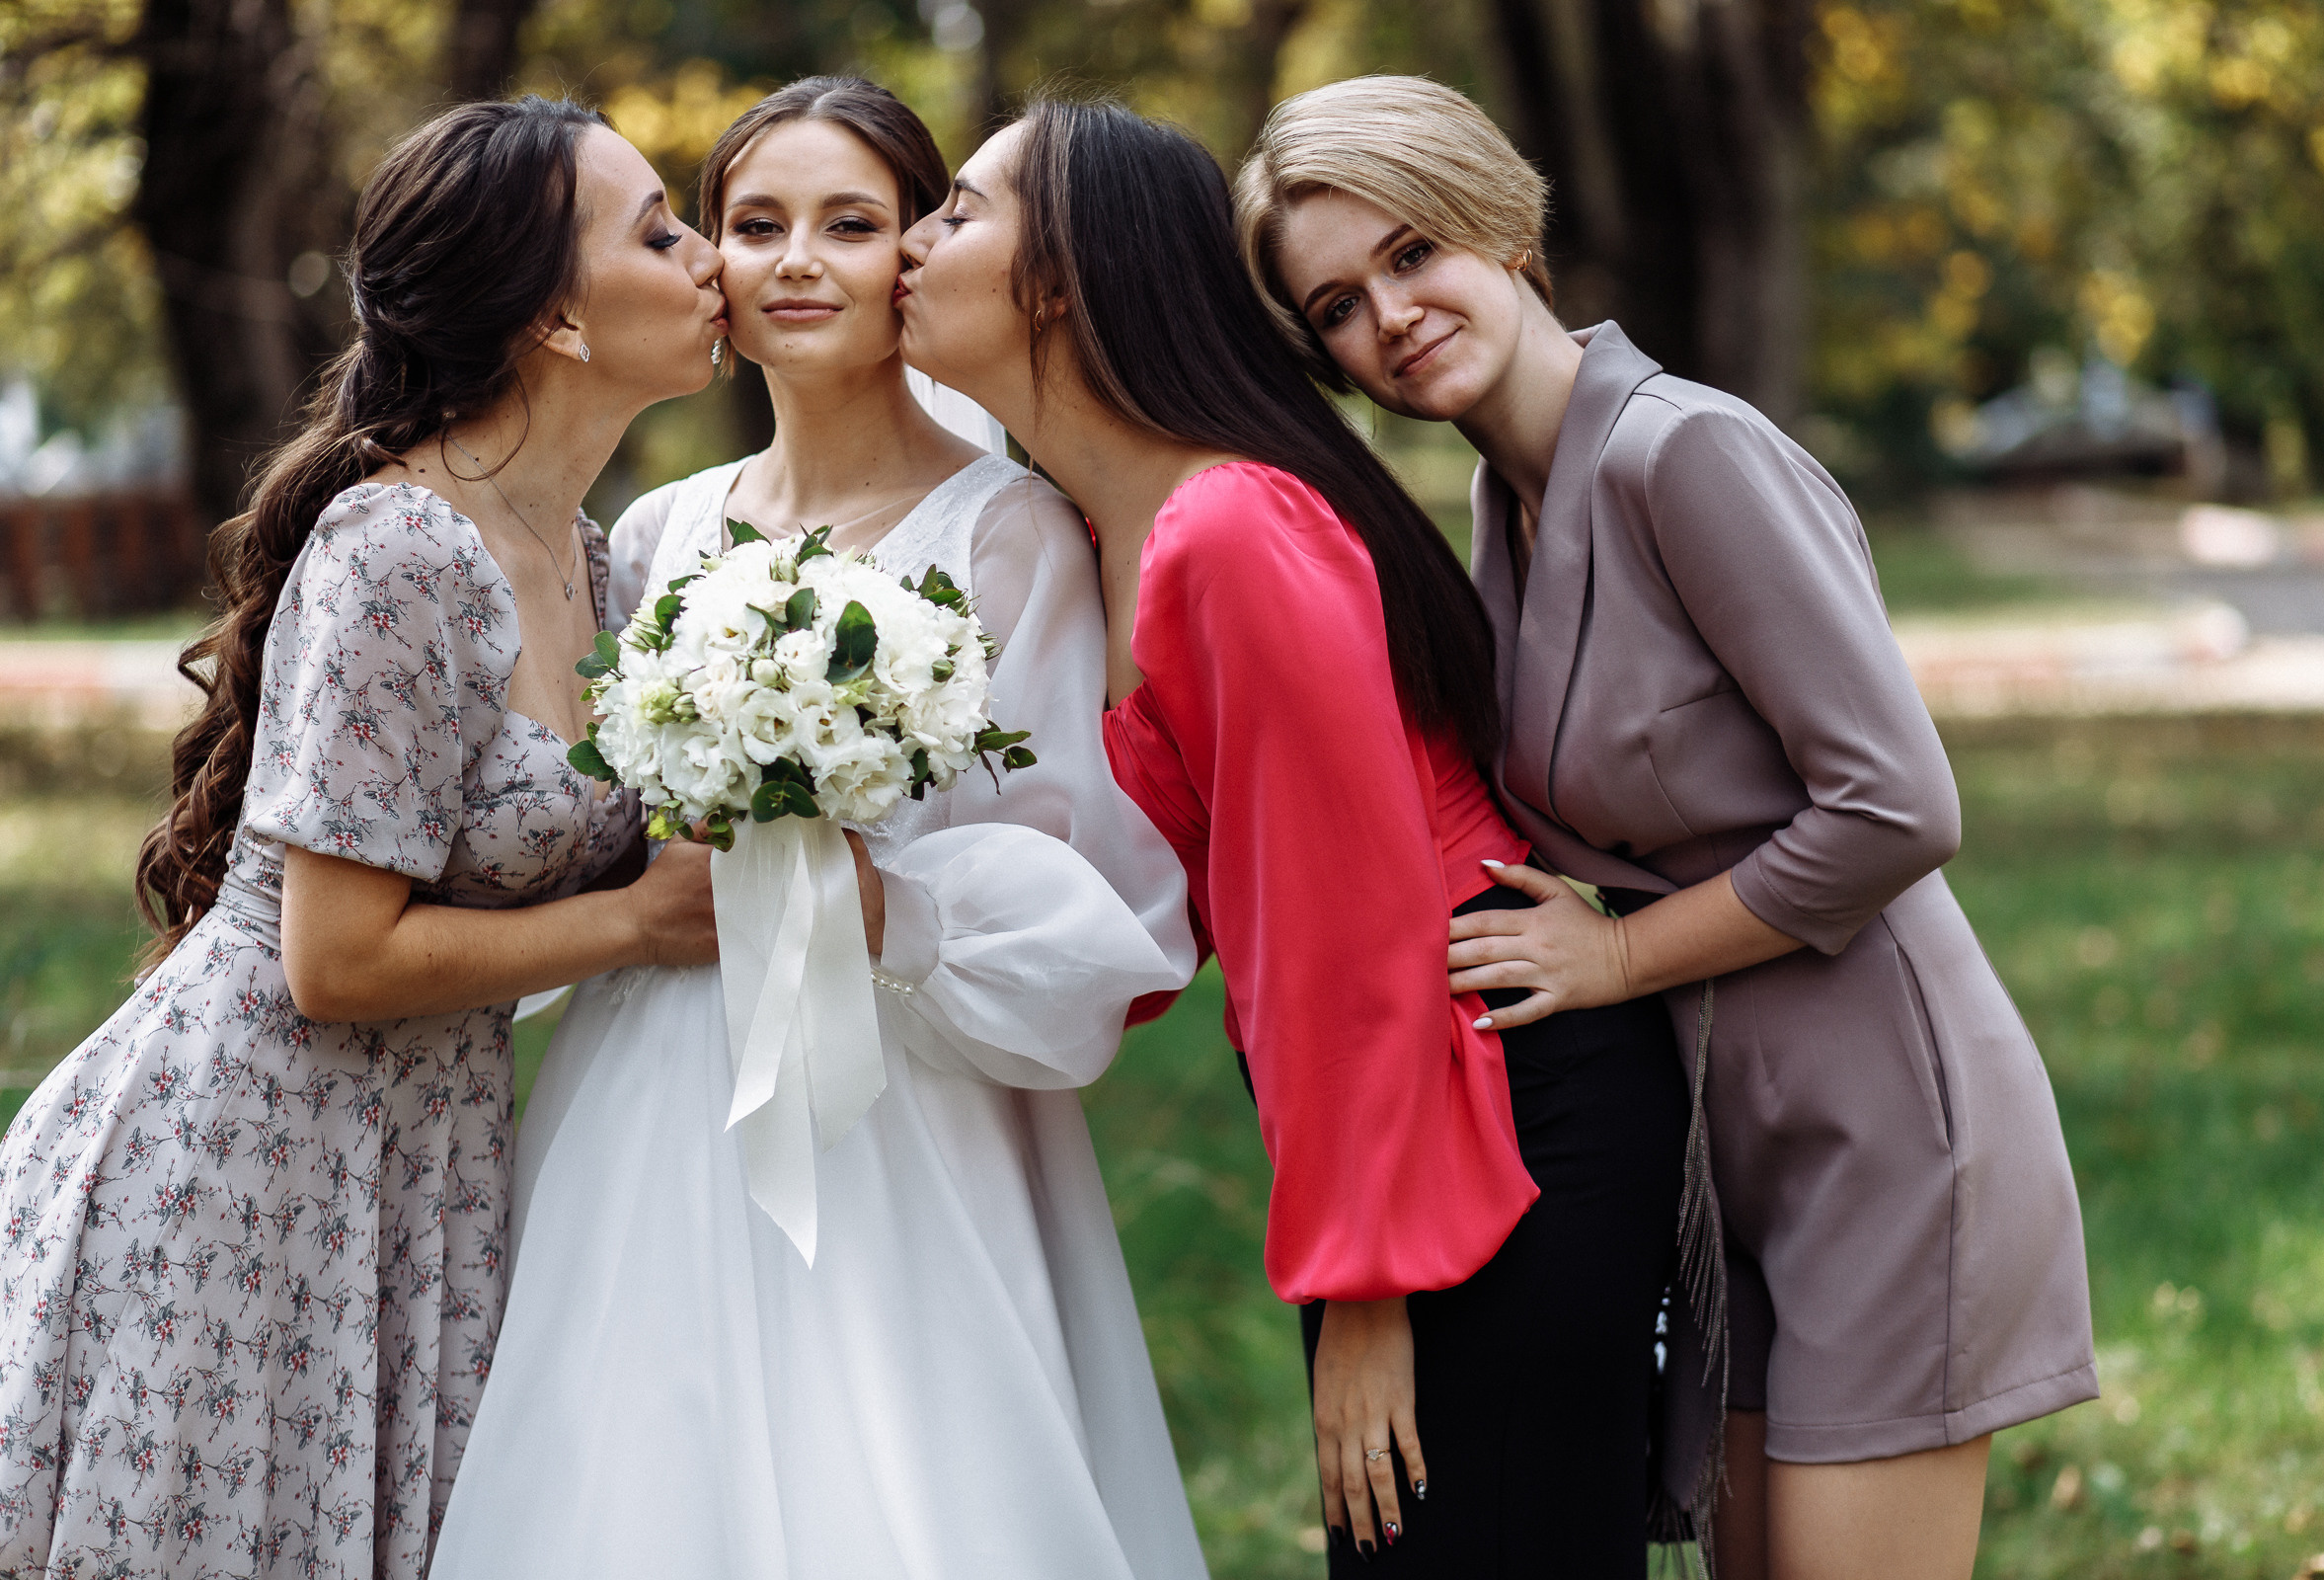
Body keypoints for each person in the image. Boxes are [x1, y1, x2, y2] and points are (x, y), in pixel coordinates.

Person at [1236, 74, 2099, 1580]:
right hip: (1720, 1153)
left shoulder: (1681, 453)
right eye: (1339, 307)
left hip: (1883, 1129)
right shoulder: (1497, 514)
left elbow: (1898, 804)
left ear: (1503, 226)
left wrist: (1617, 958)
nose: (1392, 316)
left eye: (1412, 251)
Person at [897, 95, 1692, 1578]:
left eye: (957, 210)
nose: (910, 242)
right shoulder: (1101, 535)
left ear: (1059, 277)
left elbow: (1343, 921)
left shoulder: (1229, 531)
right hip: (1392, 1111)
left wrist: (1369, 1290)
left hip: (1488, 1091)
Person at [426, 78, 1206, 1580]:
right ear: (710, 263)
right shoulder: (657, 531)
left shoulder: (1012, 537)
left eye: (849, 224)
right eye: (754, 223)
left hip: (903, 1098)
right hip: (655, 1072)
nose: (796, 260)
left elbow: (1083, 880)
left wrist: (889, 908)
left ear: (914, 252)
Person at [0, 97, 727, 1579]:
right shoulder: (398, 550)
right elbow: (331, 959)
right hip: (255, 1156)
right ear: (555, 319)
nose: (711, 257)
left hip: (424, 1160)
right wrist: (642, 923)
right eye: (661, 233)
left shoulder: (590, 564)